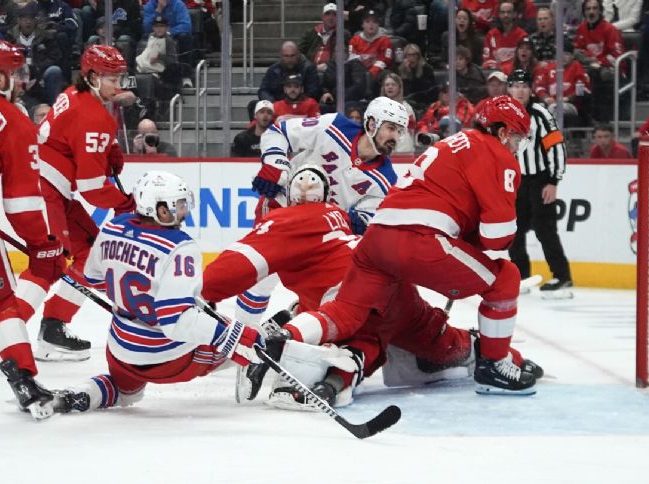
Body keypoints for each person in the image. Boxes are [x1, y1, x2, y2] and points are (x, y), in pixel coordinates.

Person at [277, 96, 540, 400]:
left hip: (374, 242)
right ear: (505, 132)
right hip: (420, 242)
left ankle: (285, 336)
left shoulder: (453, 142)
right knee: (505, 278)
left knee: (345, 310)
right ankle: (494, 366)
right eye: (518, 136)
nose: (517, 145)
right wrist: (476, 237)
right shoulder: (497, 153)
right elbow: (498, 237)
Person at [49, 171, 265, 415]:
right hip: (170, 360)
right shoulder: (179, 246)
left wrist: (131, 303)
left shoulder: (111, 228)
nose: (185, 211)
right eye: (179, 205)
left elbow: (94, 278)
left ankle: (79, 394)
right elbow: (176, 321)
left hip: (121, 352)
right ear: (160, 209)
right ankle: (269, 359)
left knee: (126, 391)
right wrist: (235, 336)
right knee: (244, 340)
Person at [14, 45, 137, 362]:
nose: (118, 84)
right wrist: (125, 203)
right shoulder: (93, 115)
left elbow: (72, 138)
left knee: (93, 254)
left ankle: (54, 328)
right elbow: (93, 188)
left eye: (120, 76)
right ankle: (2, 337)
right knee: (49, 262)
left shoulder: (76, 94)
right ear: (94, 77)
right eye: (113, 77)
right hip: (45, 188)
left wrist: (108, 146)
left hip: (51, 186)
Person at [0, 39, 66, 419]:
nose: (21, 81)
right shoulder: (14, 119)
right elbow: (21, 203)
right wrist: (42, 244)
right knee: (0, 305)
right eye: (16, 72)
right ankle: (23, 379)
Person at [241, 97, 408, 326]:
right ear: (371, 123)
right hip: (281, 207)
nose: (395, 138)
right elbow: (279, 131)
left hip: (316, 232)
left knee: (331, 290)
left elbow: (365, 221)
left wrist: (356, 223)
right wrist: (274, 164)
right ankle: (243, 336)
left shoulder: (385, 180)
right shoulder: (334, 126)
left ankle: (297, 319)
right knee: (260, 276)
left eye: (400, 132)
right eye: (391, 128)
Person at [506, 69, 573, 298]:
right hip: (516, 181)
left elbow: (556, 146)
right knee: (514, 231)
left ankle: (562, 277)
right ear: (509, 89)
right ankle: (522, 277)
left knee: (545, 230)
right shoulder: (504, 114)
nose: (520, 90)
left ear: (531, 89)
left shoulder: (540, 113)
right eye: (515, 85)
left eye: (524, 86)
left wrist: (553, 180)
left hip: (541, 179)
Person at [298, 3, 351, 74]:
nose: (331, 17)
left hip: (331, 72)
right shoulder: (311, 32)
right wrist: (309, 65)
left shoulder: (343, 34)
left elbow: (344, 54)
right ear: (322, 17)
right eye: (327, 14)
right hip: (311, 70)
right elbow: (299, 51)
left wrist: (328, 65)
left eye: (334, 14)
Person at [348, 9, 392, 84]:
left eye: (374, 22)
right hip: (358, 73)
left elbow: (385, 60)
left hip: (377, 73)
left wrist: (371, 73)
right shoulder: (354, 40)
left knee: (387, 74)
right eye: (367, 21)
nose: (371, 25)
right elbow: (352, 59)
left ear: (378, 25)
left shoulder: (385, 40)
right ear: (362, 25)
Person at [482, 1, 528, 70]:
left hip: (515, 73)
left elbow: (524, 60)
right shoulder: (491, 35)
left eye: (509, 12)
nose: (505, 15)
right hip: (495, 74)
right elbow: (487, 59)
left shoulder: (522, 36)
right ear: (499, 14)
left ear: (514, 14)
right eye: (503, 12)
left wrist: (505, 68)